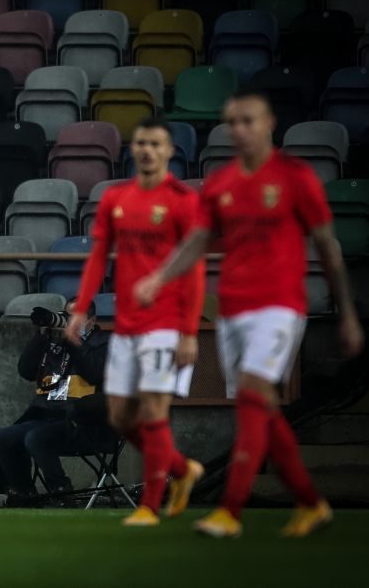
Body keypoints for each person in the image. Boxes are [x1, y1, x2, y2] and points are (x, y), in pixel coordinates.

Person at [134, 91, 365, 538]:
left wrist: (348, 313)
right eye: (232, 122)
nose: (239, 129)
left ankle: (230, 510)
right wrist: (159, 278)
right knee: (260, 407)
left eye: (248, 120)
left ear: (269, 122)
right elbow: (197, 243)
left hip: (279, 307)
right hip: (233, 310)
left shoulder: (295, 177)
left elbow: (328, 249)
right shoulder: (220, 185)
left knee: (255, 398)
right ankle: (310, 502)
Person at [65, 118, 206, 527]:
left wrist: (189, 330)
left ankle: (150, 505)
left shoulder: (182, 200)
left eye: (155, 144)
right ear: (132, 149)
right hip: (124, 326)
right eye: (140, 143)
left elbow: (194, 268)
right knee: (120, 418)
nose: (146, 150)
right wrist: (80, 308)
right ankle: (182, 469)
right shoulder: (116, 198)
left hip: (165, 322)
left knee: (153, 412)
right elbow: (98, 257)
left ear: (169, 151)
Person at [0, 298, 108, 506]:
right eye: (67, 315)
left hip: (83, 423)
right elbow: (25, 371)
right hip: (46, 415)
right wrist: (42, 335)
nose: (69, 321)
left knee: (35, 438)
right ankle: (25, 493)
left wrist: (73, 341)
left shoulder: (104, 344)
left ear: (92, 320)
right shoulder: (53, 341)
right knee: (3, 438)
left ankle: (61, 491)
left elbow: (94, 373)